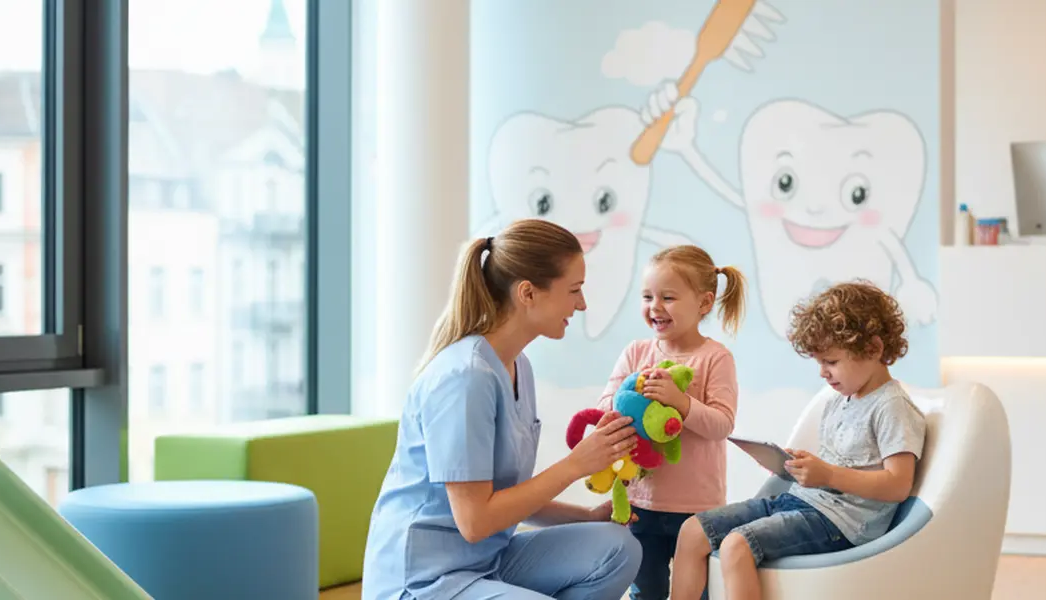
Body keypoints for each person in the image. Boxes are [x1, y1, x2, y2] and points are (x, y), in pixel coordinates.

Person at [361, 218, 644, 600]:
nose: (582, 303)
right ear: (528, 293)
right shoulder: (464, 378)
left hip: (485, 562)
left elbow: (507, 497)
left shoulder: (518, 367)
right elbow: (476, 522)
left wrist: (588, 516)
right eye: (574, 290)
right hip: (423, 581)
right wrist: (576, 465)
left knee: (616, 547)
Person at [667, 280, 927, 600]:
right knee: (692, 531)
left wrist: (828, 474)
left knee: (737, 544)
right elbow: (843, 462)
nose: (823, 373)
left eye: (831, 362)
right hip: (802, 502)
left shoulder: (892, 407)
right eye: (819, 362)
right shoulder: (840, 398)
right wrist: (798, 465)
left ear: (873, 349)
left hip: (841, 523)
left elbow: (898, 484)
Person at [595, 245, 747, 600]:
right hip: (640, 503)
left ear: (705, 303)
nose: (655, 307)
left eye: (668, 297)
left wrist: (681, 402)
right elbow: (605, 407)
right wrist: (632, 399)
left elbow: (722, 424)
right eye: (647, 296)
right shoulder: (636, 353)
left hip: (697, 508)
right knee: (644, 591)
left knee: (697, 592)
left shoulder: (715, 358)